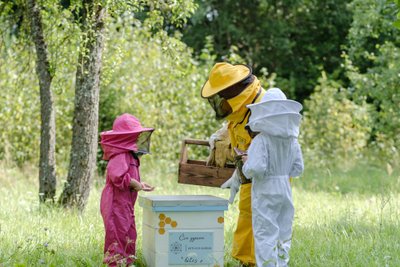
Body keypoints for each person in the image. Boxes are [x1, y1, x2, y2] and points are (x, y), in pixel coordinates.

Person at [201, 62, 266, 266]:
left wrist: (247, 167)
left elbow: (267, 148)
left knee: (260, 215)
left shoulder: (261, 105)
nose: (221, 98)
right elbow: (234, 123)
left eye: (223, 92)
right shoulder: (242, 103)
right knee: (247, 211)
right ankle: (245, 258)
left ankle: (256, 260)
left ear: (234, 88)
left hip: (267, 173)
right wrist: (219, 135)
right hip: (249, 169)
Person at [242, 88, 304, 267]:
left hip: (266, 188)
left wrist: (247, 162)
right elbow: (298, 169)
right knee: (284, 232)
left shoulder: (261, 140)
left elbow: (256, 168)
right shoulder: (293, 141)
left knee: (265, 233)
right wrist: (282, 171)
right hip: (285, 187)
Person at [99, 113, 155, 266]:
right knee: (117, 236)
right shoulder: (120, 154)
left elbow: (127, 177)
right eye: (135, 135)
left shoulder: (129, 155)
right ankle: (116, 264)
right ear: (126, 137)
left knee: (128, 233)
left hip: (124, 203)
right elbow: (116, 176)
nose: (137, 139)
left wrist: (140, 185)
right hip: (115, 203)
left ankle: (127, 263)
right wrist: (133, 183)